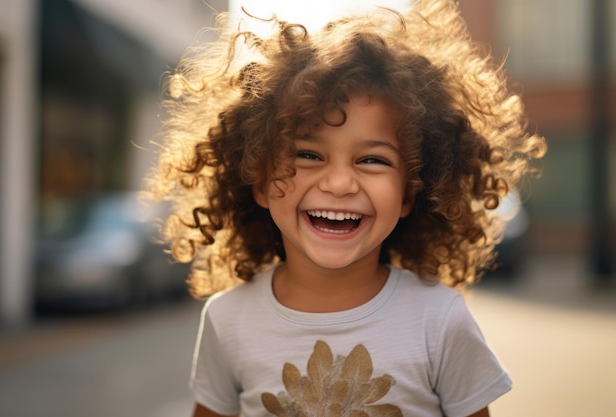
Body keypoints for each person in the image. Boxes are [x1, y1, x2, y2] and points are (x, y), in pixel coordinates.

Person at [144, 0, 546, 416]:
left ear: (409, 194)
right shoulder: (227, 320)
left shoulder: (439, 321)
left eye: (372, 159)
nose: (339, 183)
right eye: (308, 155)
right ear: (259, 181)